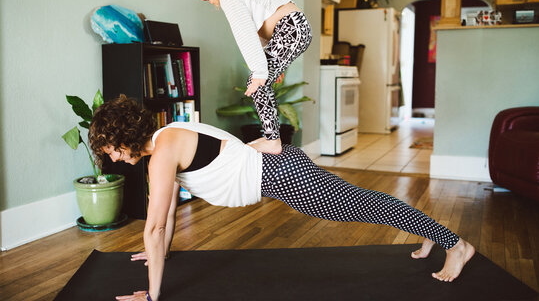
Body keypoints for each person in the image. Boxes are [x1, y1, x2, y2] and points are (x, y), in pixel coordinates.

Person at [89, 96, 475, 301]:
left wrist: (153, 296)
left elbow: (154, 227)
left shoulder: (162, 153)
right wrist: (162, 253)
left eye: (109, 148)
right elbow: (166, 214)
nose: (111, 157)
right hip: (280, 167)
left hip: (284, 176)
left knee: (364, 205)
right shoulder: (167, 136)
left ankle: (456, 244)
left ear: (123, 135)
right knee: (365, 201)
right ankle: (428, 232)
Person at [179, 0, 313, 155]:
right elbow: (260, 30)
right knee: (261, 79)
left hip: (291, 27)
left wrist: (260, 73)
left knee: (256, 82)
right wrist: (269, 68)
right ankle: (272, 137)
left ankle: (272, 141)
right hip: (295, 27)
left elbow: (246, 35)